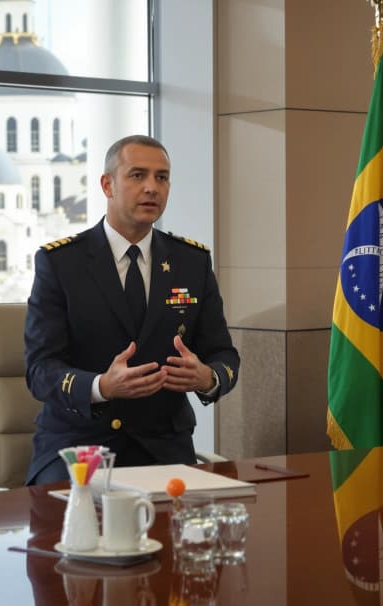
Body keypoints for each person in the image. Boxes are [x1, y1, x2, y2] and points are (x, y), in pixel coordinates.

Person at [24, 134, 240, 485]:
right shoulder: (61, 263)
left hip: (164, 449)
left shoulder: (191, 262)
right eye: (138, 175)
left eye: (162, 177)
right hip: (79, 448)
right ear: (107, 185)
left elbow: (224, 354)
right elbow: (39, 370)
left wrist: (208, 378)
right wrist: (101, 386)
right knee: (80, 527)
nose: (152, 188)